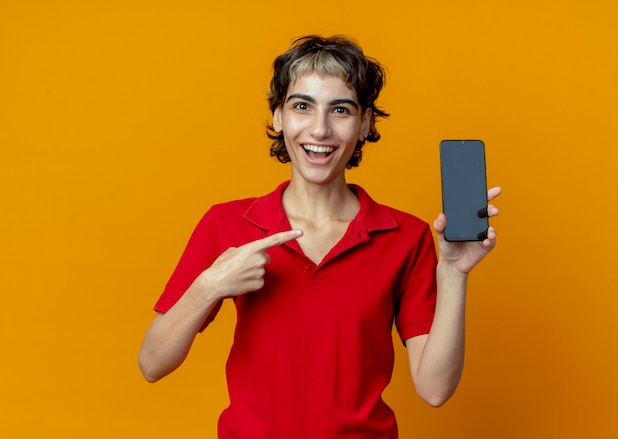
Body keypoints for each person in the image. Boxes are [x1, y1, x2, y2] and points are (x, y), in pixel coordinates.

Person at [138, 35, 501, 438]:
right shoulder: (227, 224)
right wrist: (208, 286)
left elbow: (434, 389)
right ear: (278, 117)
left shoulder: (406, 236)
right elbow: (152, 364)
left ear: (365, 123)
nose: (320, 128)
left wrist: (453, 272)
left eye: (340, 109)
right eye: (301, 106)